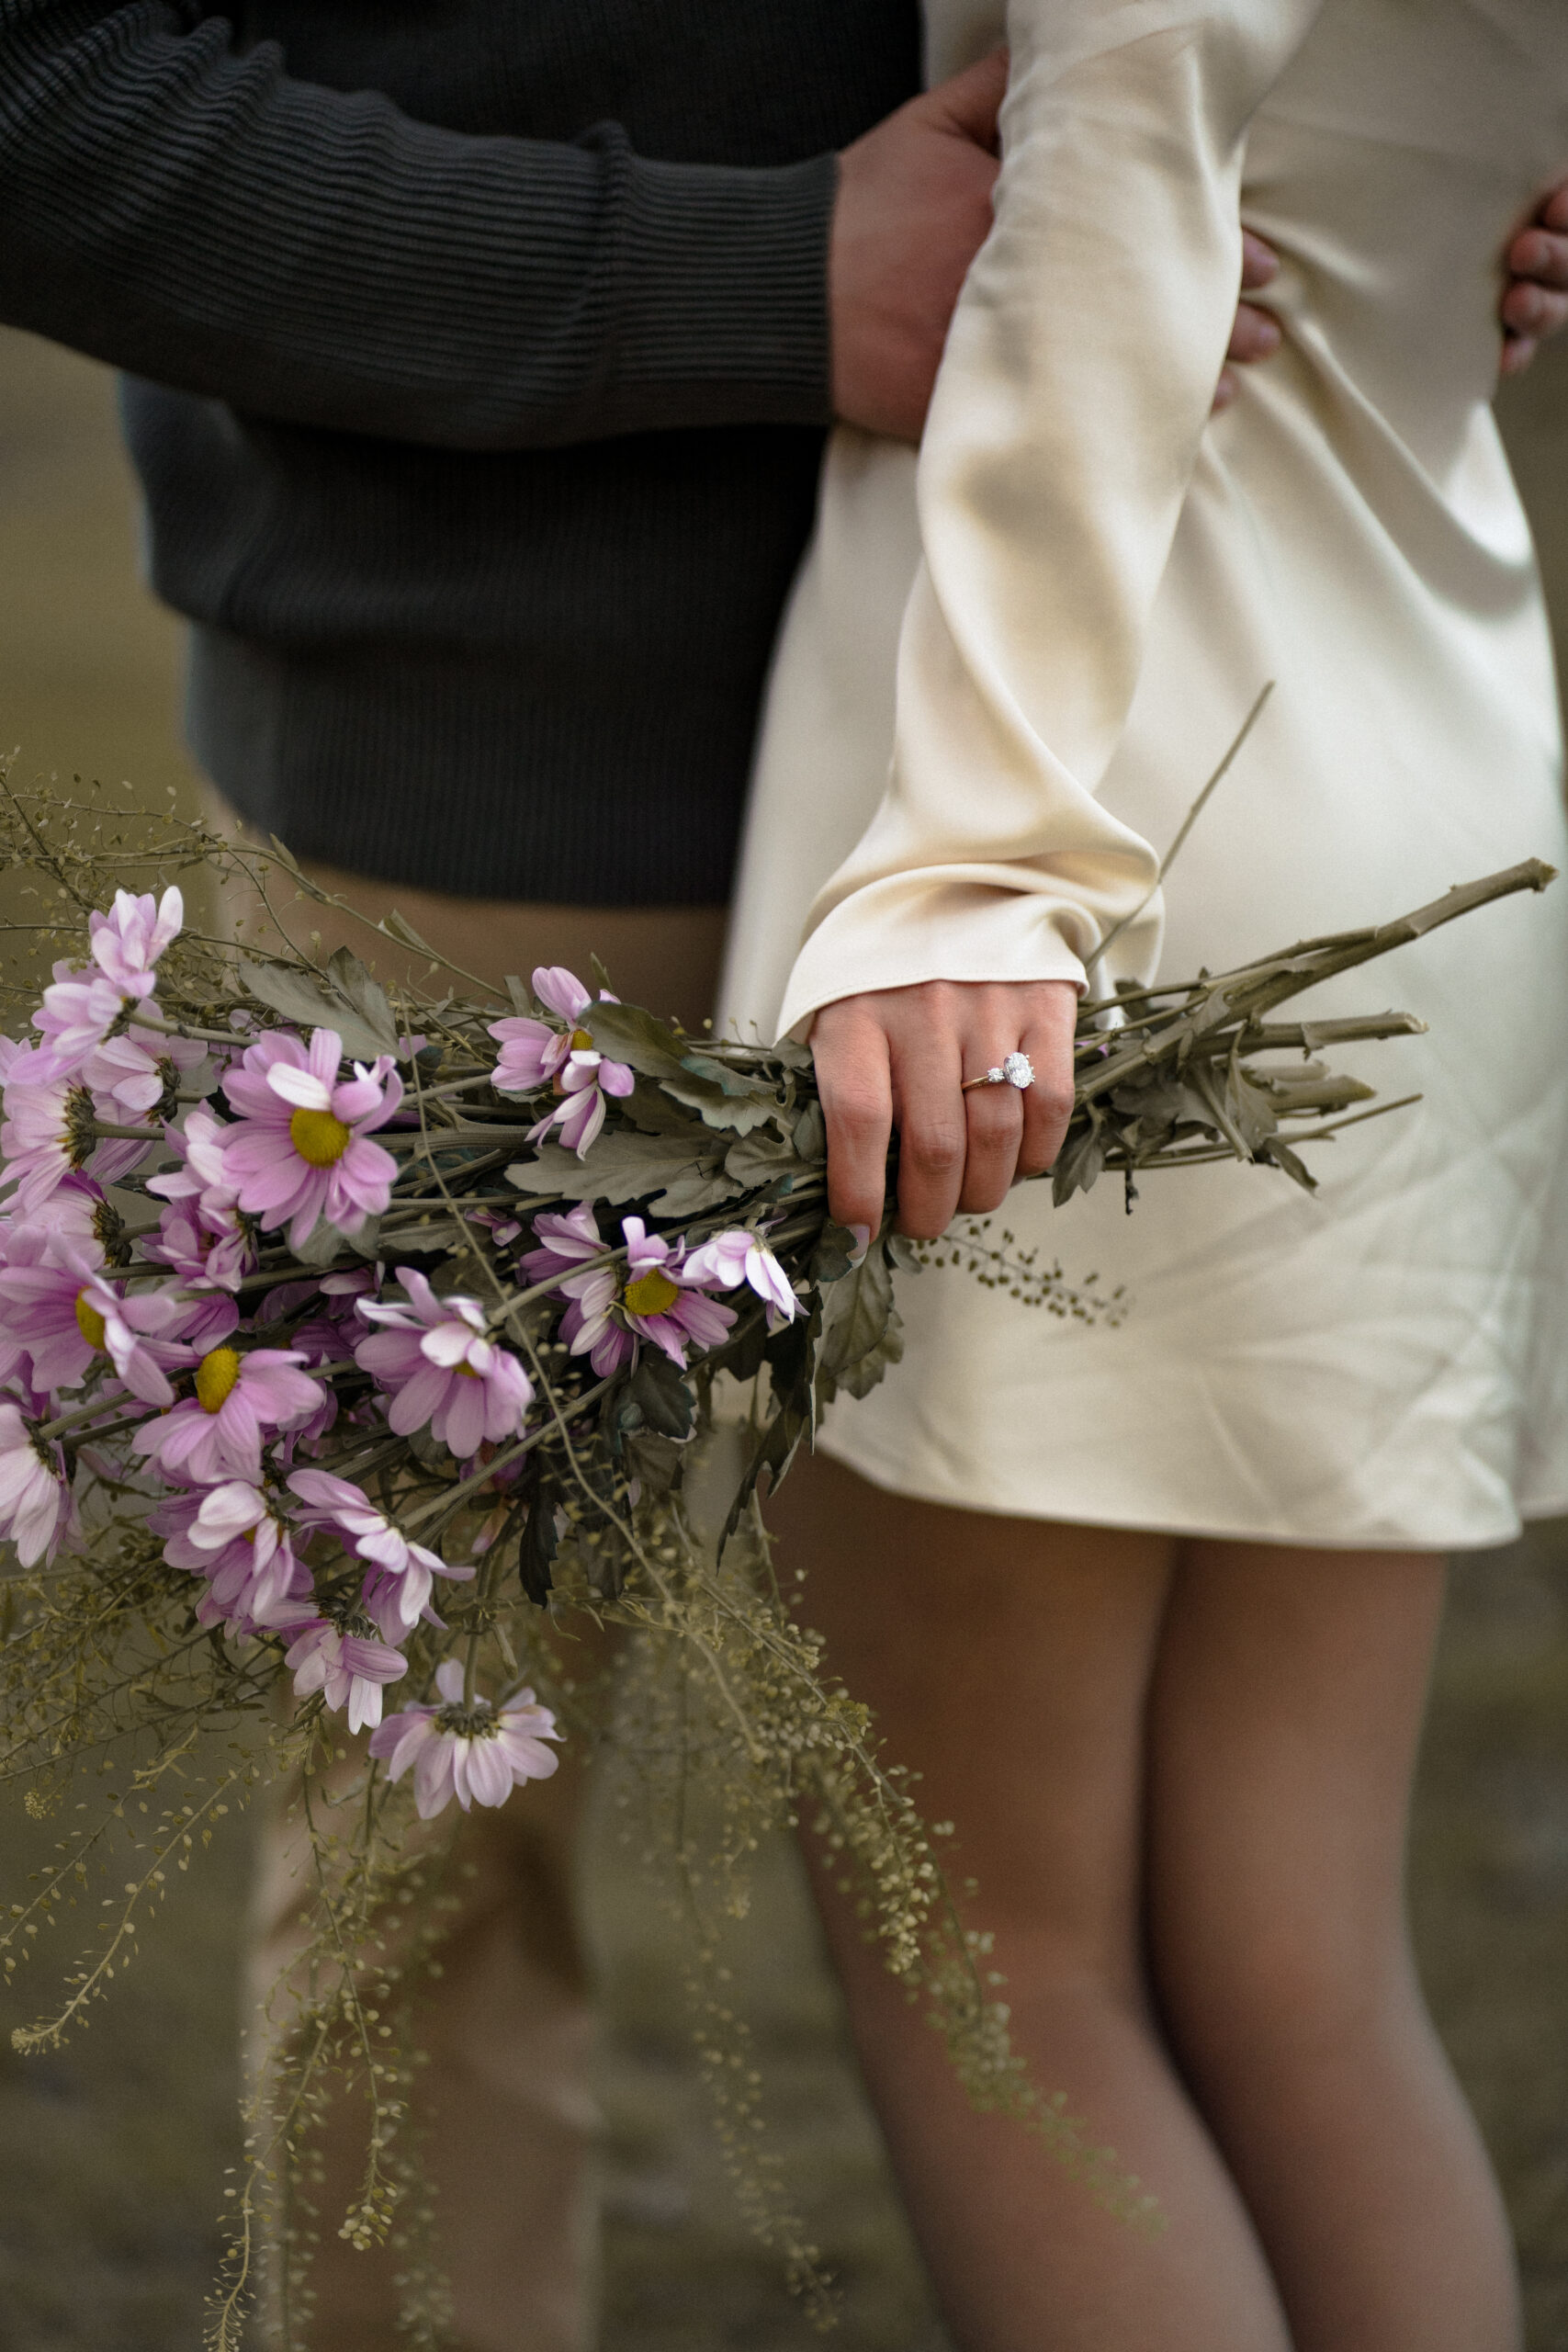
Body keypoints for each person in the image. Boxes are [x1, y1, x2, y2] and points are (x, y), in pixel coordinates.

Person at [1, 4, 1565, 2344]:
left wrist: (968, 868)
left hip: (1038, 844)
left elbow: (1128, 171)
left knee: (1010, 1952)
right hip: (726, 745)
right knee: (1251, 1948)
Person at [721, 3, 1568, 2348]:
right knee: (1298, 1959)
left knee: (991, 1947)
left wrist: (972, 876)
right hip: (1423, 767)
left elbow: (1093, 229)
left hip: (1102, 835)